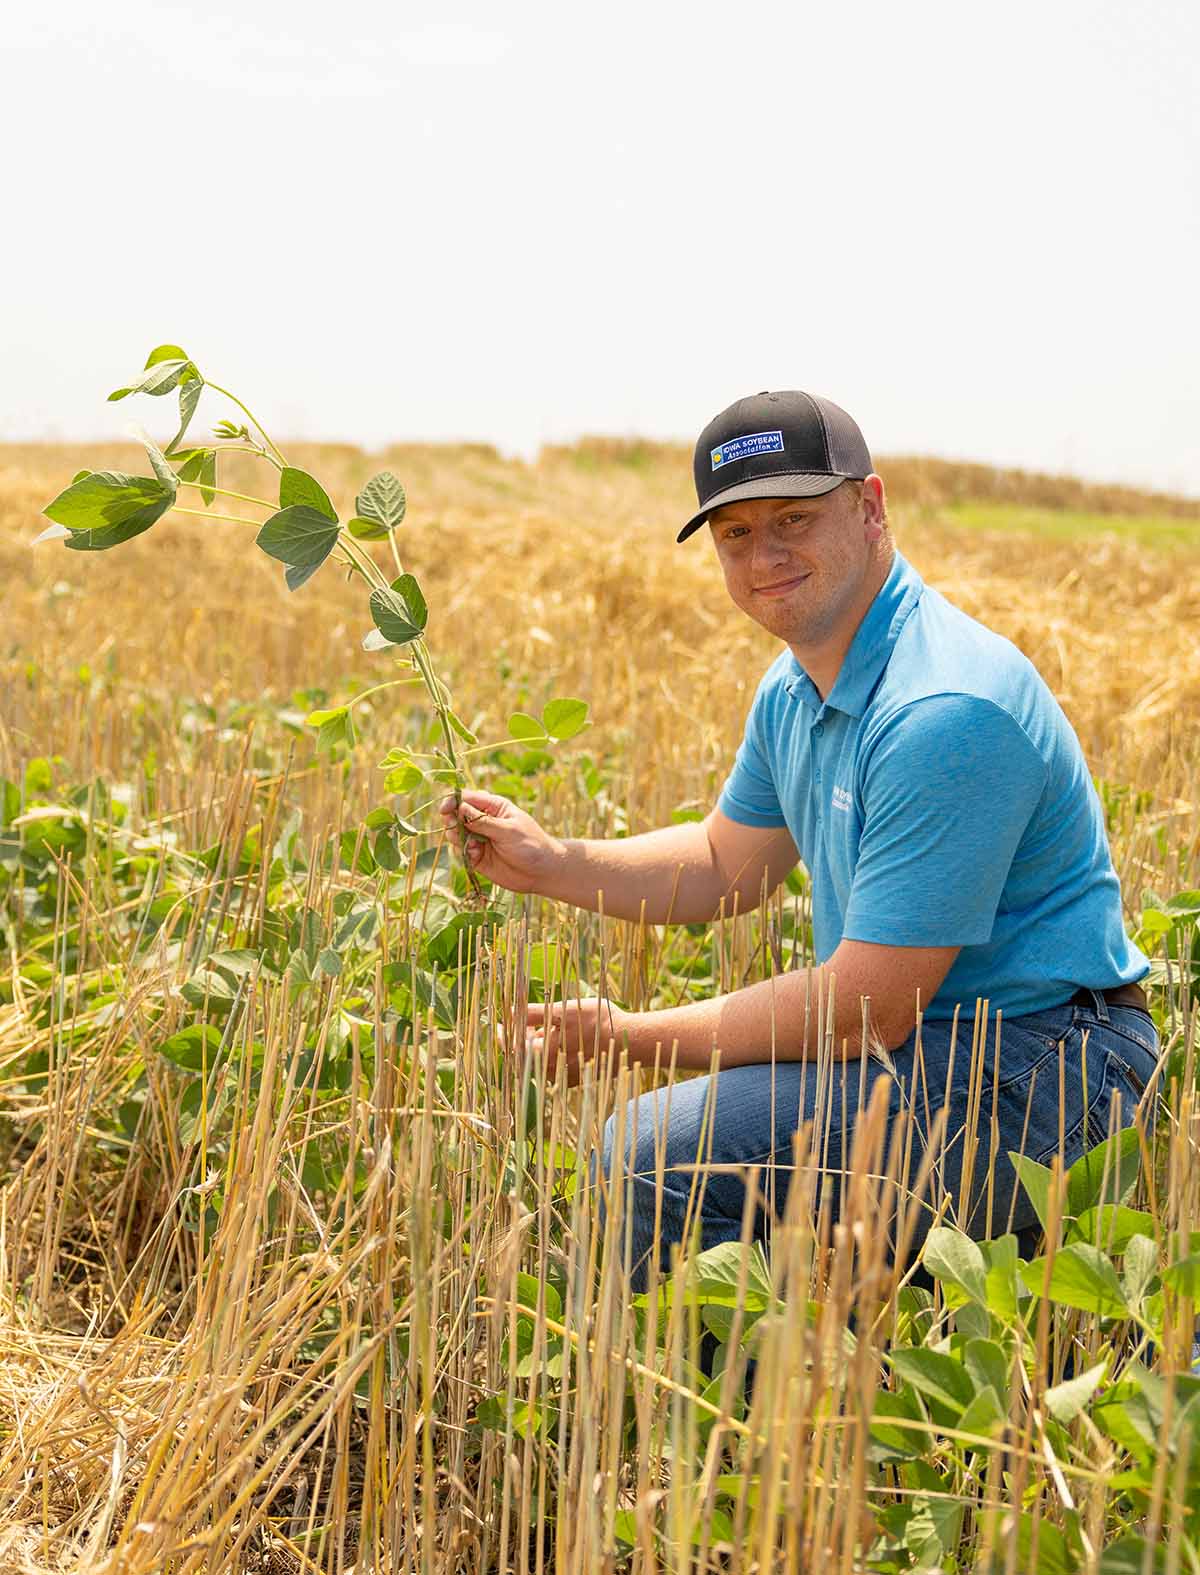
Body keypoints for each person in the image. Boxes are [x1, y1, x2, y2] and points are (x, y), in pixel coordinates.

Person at [439, 389, 1160, 1298]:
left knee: (646, 1154)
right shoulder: (795, 690)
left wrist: (628, 1036)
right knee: (764, 1206)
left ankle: (715, 1433)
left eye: (793, 518)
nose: (764, 555)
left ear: (870, 507)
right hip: (936, 1053)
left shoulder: (942, 709)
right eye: (734, 534)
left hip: (1051, 1062)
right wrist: (556, 864)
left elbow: (868, 1006)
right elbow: (723, 867)